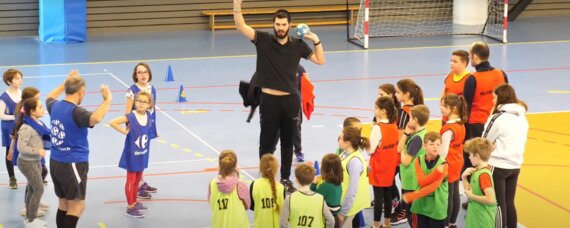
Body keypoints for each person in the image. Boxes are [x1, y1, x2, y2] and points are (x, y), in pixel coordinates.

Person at [233, 0, 325, 192]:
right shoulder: (263, 40)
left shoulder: (299, 45)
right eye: (278, 24)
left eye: (284, 25)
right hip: (269, 101)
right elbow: (240, 26)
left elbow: (320, 60)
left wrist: (315, 40)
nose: (281, 28)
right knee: (266, 141)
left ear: (289, 25)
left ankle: (284, 179)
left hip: (291, 101)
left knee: (288, 142)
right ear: (273, 24)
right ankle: (266, 178)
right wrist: (237, 4)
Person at [46, 70, 112, 228]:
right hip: (73, 163)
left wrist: (66, 82)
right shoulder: (76, 111)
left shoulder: (54, 106)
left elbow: (49, 96)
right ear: (81, 91)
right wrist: (107, 99)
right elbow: (95, 118)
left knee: (63, 203)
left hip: (56, 161)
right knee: (77, 206)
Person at [483, 84, 528, 228]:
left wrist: (491, 115)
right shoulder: (522, 117)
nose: (492, 101)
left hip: (498, 166)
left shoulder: (498, 118)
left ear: (500, 99)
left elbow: (484, 141)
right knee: (509, 202)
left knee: (498, 204)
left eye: (494, 98)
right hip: (515, 166)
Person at [462, 42, 508, 172]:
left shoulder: (472, 79)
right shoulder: (501, 74)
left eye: (471, 56)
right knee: (492, 157)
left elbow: (466, 107)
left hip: (476, 125)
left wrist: (464, 129)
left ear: (475, 57)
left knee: (474, 160)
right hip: (497, 123)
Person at [110, 91, 155, 218]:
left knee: (138, 179)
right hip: (132, 154)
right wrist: (124, 132)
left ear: (149, 105)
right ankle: (130, 207)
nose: (141, 103)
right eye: (139, 100)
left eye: (144, 101)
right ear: (135, 102)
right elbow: (112, 122)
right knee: (131, 179)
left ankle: (134, 201)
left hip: (143, 153)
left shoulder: (148, 115)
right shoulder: (131, 116)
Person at [124, 63, 158, 199]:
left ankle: (141, 182)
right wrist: (129, 127)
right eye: (139, 72)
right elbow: (127, 111)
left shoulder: (152, 88)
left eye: (145, 72)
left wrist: (154, 128)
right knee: (137, 156)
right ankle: (137, 187)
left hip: (147, 127)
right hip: (136, 130)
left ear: (149, 74)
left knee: (143, 156)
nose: (143, 75)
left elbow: (152, 110)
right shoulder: (132, 90)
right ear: (135, 75)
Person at [15, 98, 50, 227]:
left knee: (32, 188)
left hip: (35, 161)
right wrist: (37, 151)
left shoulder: (38, 123)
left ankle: (30, 218)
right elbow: (21, 148)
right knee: (38, 189)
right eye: (40, 107)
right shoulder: (26, 128)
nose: (43, 109)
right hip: (26, 163)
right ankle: (31, 220)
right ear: (32, 111)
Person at [403, 132, 449, 228]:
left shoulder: (443, 165)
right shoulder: (418, 160)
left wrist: (412, 196)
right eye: (431, 144)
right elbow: (421, 182)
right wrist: (436, 173)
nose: (435, 147)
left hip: (437, 207)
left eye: (438, 144)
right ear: (424, 146)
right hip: (421, 205)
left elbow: (432, 187)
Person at [368, 96, 399, 228]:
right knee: (387, 195)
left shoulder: (377, 128)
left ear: (383, 111)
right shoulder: (393, 125)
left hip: (378, 166)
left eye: (376, 108)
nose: (374, 110)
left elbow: (370, 149)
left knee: (378, 197)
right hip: (390, 165)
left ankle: (376, 225)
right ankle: (387, 223)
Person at [398, 105, 430, 227]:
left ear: (415, 120)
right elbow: (399, 148)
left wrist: (403, 152)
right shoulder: (419, 133)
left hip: (412, 182)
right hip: (412, 180)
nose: (408, 120)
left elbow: (405, 160)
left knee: (413, 217)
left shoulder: (417, 139)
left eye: (410, 118)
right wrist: (406, 133)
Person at [439, 94, 467, 227]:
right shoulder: (460, 124)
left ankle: (445, 224)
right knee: (455, 192)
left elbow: (443, 152)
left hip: (449, 163)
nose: (441, 108)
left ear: (454, 108)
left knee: (448, 196)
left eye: (444, 106)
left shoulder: (447, 129)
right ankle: (452, 222)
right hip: (457, 161)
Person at [280, 164, 335, 228]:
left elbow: (282, 223)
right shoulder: (320, 198)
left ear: (296, 180)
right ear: (313, 180)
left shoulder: (289, 198)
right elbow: (331, 220)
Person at [338, 127, 371, 228]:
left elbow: (352, 190)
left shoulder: (354, 162)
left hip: (349, 205)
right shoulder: (345, 154)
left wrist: (343, 212)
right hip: (346, 201)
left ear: (347, 143)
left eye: (340, 138)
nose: (338, 140)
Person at [208, 150, 251, 228]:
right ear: (235, 166)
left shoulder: (212, 184)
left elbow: (212, 204)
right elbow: (247, 206)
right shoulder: (240, 185)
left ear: (219, 165)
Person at [462, 138, 497, 228]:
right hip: (474, 217)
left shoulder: (483, 175)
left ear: (477, 156)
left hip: (482, 221)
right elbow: (468, 190)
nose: (469, 157)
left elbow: (491, 199)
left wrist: (472, 196)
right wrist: (464, 177)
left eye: (470, 155)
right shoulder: (477, 170)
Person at [1, 69, 23, 189]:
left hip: (20, 124)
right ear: (9, 82)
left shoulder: (20, 92)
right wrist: (16, 116)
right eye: (17, 78)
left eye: (21, 78)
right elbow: (1, 115)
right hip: (8, 127)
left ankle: (41, 170)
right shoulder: (4, 97)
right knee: (10, 150)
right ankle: (12, 178)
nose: (20, 80)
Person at [250, 154, 284, 228]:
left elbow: (252, 206)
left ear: (260, 168)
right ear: (276, 169)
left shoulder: (254, 184)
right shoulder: (281, 188)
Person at [311, 153, 343, 228]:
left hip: (326, 220)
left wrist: (313, 184)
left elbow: (312, 197)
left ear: (324, 168)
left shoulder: (324, 186)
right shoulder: (338, 183)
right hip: (335, 218)